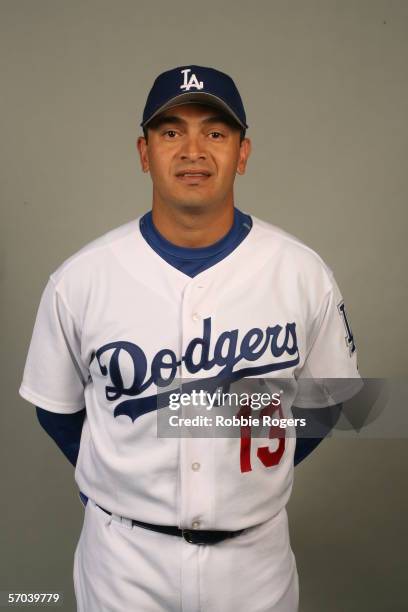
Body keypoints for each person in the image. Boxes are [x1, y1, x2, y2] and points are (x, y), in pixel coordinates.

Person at [19, 65, 362, 612]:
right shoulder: (81, 278)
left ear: (243, 153)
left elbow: (329, 402)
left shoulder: (301, 272)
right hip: (123, 563)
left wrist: (255, 471)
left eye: (216, 133)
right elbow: (57, 411)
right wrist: (119, 483)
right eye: (171, 131)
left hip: (255, 563)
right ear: (144, 151)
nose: (193, 150)